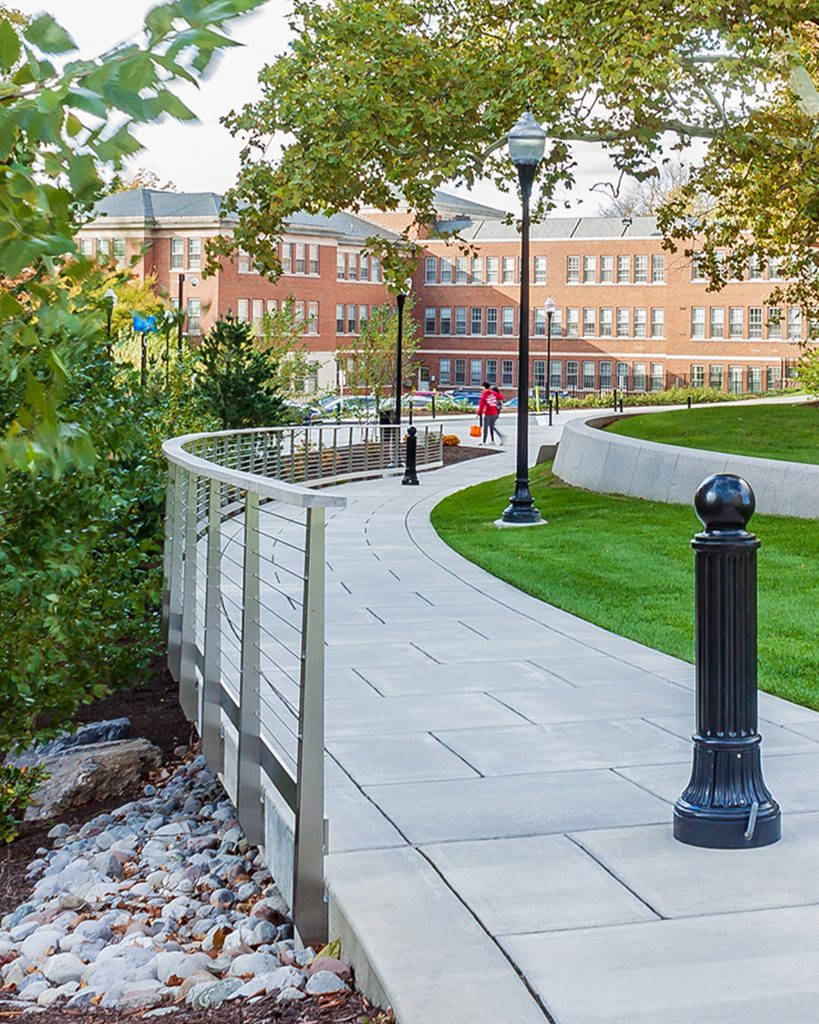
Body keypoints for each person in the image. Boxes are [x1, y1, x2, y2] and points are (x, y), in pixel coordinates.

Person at [478, 380, 505, 445]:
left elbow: (481, 406)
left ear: (484, 387)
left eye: (482, 388)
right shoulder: (493, 393)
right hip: (495, 412)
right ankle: (492, 441)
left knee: (485, 427)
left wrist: (479, 413)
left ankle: (484, 442)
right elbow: (501, 397)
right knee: (491, 426)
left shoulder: (484, 395)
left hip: (488, 412)